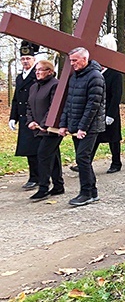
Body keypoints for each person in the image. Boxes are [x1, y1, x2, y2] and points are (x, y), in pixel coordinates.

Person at [58, 47, 106, 206]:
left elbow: (93, 105)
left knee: (82, 158)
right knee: (83, 158)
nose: (72, 64)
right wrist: (64, 124)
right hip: (76, 125)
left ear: (85, 59)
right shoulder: (75, 77)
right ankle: (92, 192)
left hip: (90, 126)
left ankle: (86, 193)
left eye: (75, 60)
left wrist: (83, 128)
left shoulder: (95, 76)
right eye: (71, 61)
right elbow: (69, 103)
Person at [25, 60, 64, 200]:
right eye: (36, 70)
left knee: (43, 155)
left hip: (52, 128)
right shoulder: (34, 87)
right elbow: (29, 106)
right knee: (53, 155)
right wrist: (30, 121)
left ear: (49, 71)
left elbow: (54, 108)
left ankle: (43, 187)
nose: (37, 72)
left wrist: (44, 124)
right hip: (38, 127)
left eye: (40, 70)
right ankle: (59, 185)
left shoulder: (55, 85)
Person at [10, 41, 41, 189]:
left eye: (28, 58)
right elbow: (16, 99)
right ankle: (34, 176)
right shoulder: (19, 77)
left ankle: (40, 177)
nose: (25, 61)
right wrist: (13, 117)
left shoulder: (38, 75)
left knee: (38, 149)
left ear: (34, 59)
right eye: (23, 59)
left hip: (35, 117)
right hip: (24, 118)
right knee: (29, 150)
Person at [93, 34, 123, 174]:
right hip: (98, 111)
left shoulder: (115, 74)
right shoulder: (97, 73)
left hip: (110, 110)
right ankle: (86, 161)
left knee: (114, 139)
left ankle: (116, 162)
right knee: (95, 137)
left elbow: (116, 96)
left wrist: (110, 114)